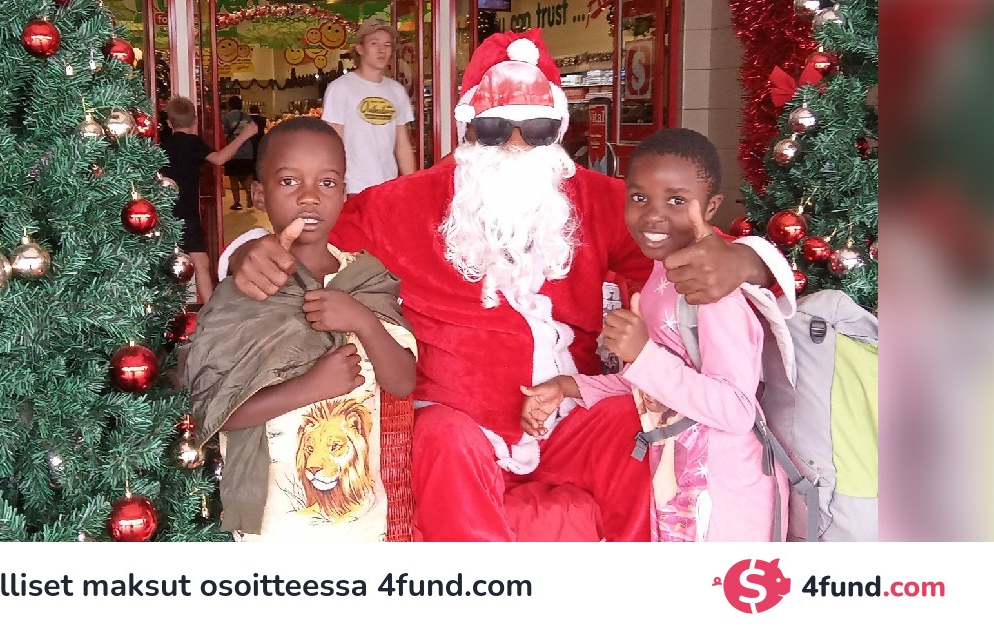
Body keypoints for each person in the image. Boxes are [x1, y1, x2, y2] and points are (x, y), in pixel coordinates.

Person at [220, 30, 795, 542]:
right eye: (495, 129)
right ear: (468, 128)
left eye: (537, 129)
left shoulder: (598, 199)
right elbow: (313, 225)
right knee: (441, 439)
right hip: (462, 421)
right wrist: (246, 249)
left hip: (569, 414)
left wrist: (749, 260)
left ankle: (633, 590)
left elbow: (688, 236)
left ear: (558, 130)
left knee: (631, 425)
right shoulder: (406, 203)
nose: (517, 144)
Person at [520, 128, 789, 541]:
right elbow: (655, 386)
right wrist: (570, 386)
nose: (652, 215)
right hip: (681, 487)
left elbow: (736, 410)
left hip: (725, 500)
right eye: (639, 197)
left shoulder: (709, 291)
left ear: (711, 206)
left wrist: (643, 353)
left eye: (676, 201)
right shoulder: (659, 277)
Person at [182, 117, 417, 541]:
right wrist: (311, 387)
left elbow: (402, 381)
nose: (309, 196)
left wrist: (362, 320)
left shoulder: (365, 279)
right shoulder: (246, 291)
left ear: (344, 193)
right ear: (259, 193)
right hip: (275, 528)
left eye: (327, 182)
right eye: (289, 181)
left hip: (361, 524)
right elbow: (215, 412)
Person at [160, 96, 257, 303]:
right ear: (195, 121)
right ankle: (210, 311)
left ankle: (169, 310)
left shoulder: (163, 146)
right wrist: (245, 135)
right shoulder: (193, 143)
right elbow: (220, 158)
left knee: (169, 263)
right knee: (201, 263)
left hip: (165, 213)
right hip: (187, 214)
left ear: (169, 123)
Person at [321, 17, 416, 196]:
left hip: (389, 187)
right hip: (354, 188)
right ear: (359, 48)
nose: (382, 50)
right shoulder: (341, 87)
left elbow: (402, 144)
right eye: (374, 43)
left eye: (387, 45)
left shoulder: (396, 90)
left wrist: (413, 186)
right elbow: (333, 142)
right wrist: (336, 188)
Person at [221, 96, 255, 210]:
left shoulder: (227, 117)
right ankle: (249, 192)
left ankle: (237, 202)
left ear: (230, 105)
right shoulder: (247, 117)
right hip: (248, 150)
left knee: (234, 178)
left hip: (233, 150)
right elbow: (253, 131)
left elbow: (224, 134)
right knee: (247, 174)